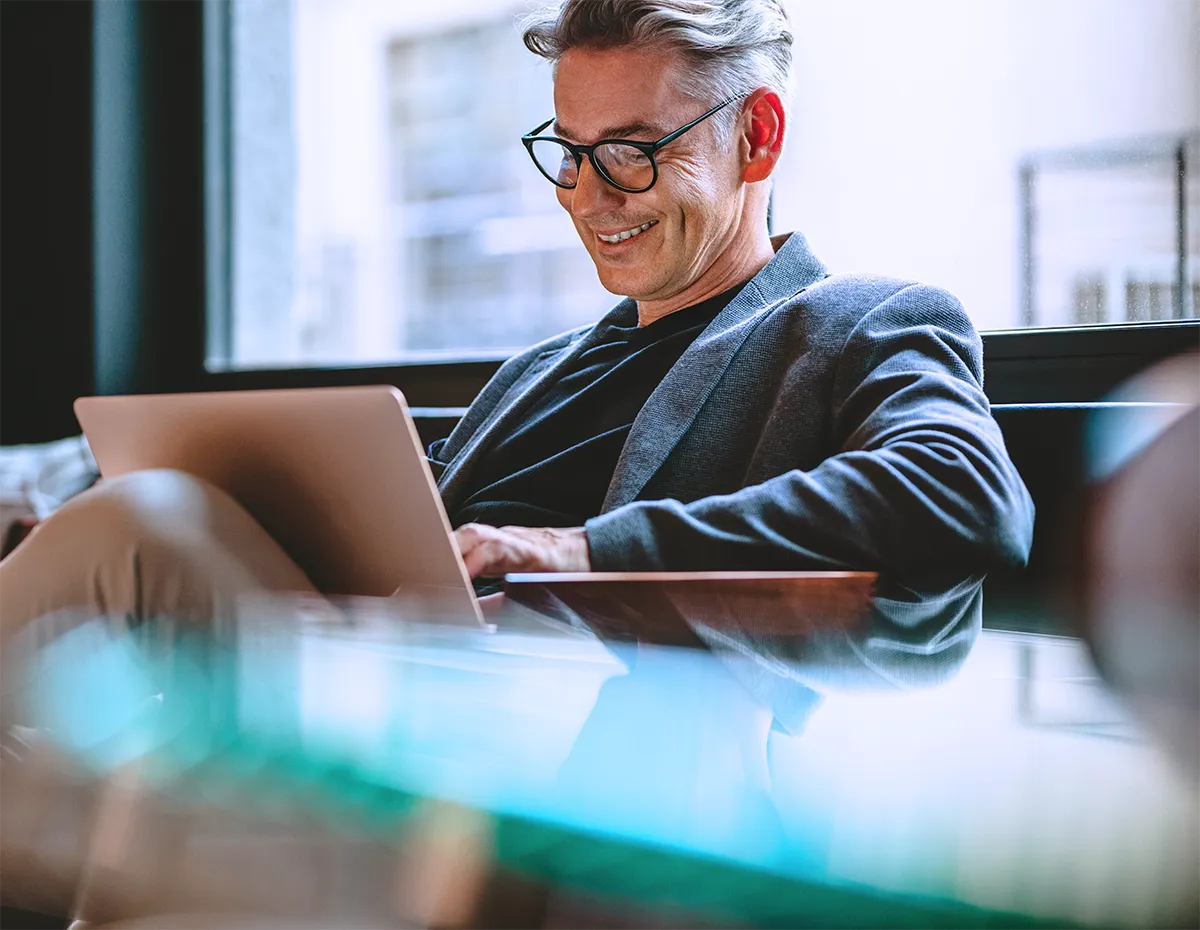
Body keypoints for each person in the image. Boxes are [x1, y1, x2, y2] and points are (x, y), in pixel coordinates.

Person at [0, 0, 1033, 637]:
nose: (586, 195)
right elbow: (386, 524)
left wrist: (578, 551)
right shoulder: (536, 372)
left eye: (630, 150)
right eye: (567, 152)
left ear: (755, 135)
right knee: (129, 526)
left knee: (145, 528)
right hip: (353, 680)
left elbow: (963, 494)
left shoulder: (861, 323)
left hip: (540, 736)